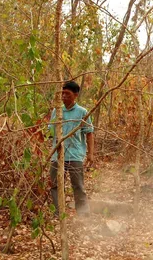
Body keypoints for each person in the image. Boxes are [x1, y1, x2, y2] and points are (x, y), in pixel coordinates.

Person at [49, 81, 94, 217]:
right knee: (55, 185)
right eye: (63, 93)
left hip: (75, 155)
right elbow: (50, 132)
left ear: (75, 95)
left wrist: (90, 154)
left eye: (67, 94)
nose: (64, 96)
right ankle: (58, 213)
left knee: (78, 186)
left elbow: (89, 133)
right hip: (57, 155)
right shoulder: (56, 111)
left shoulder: (82, 112)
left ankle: (83, 214)